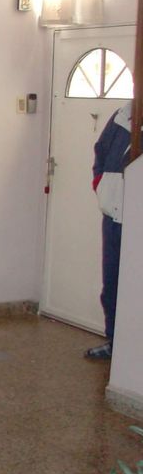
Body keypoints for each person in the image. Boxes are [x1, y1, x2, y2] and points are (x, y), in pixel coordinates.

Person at [86, 100, 133, 360]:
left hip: (136, 219)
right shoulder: (121, 115)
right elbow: (101, 152)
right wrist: (100, 183)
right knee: (112, 285)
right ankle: (114, 342)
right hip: (114, 217)